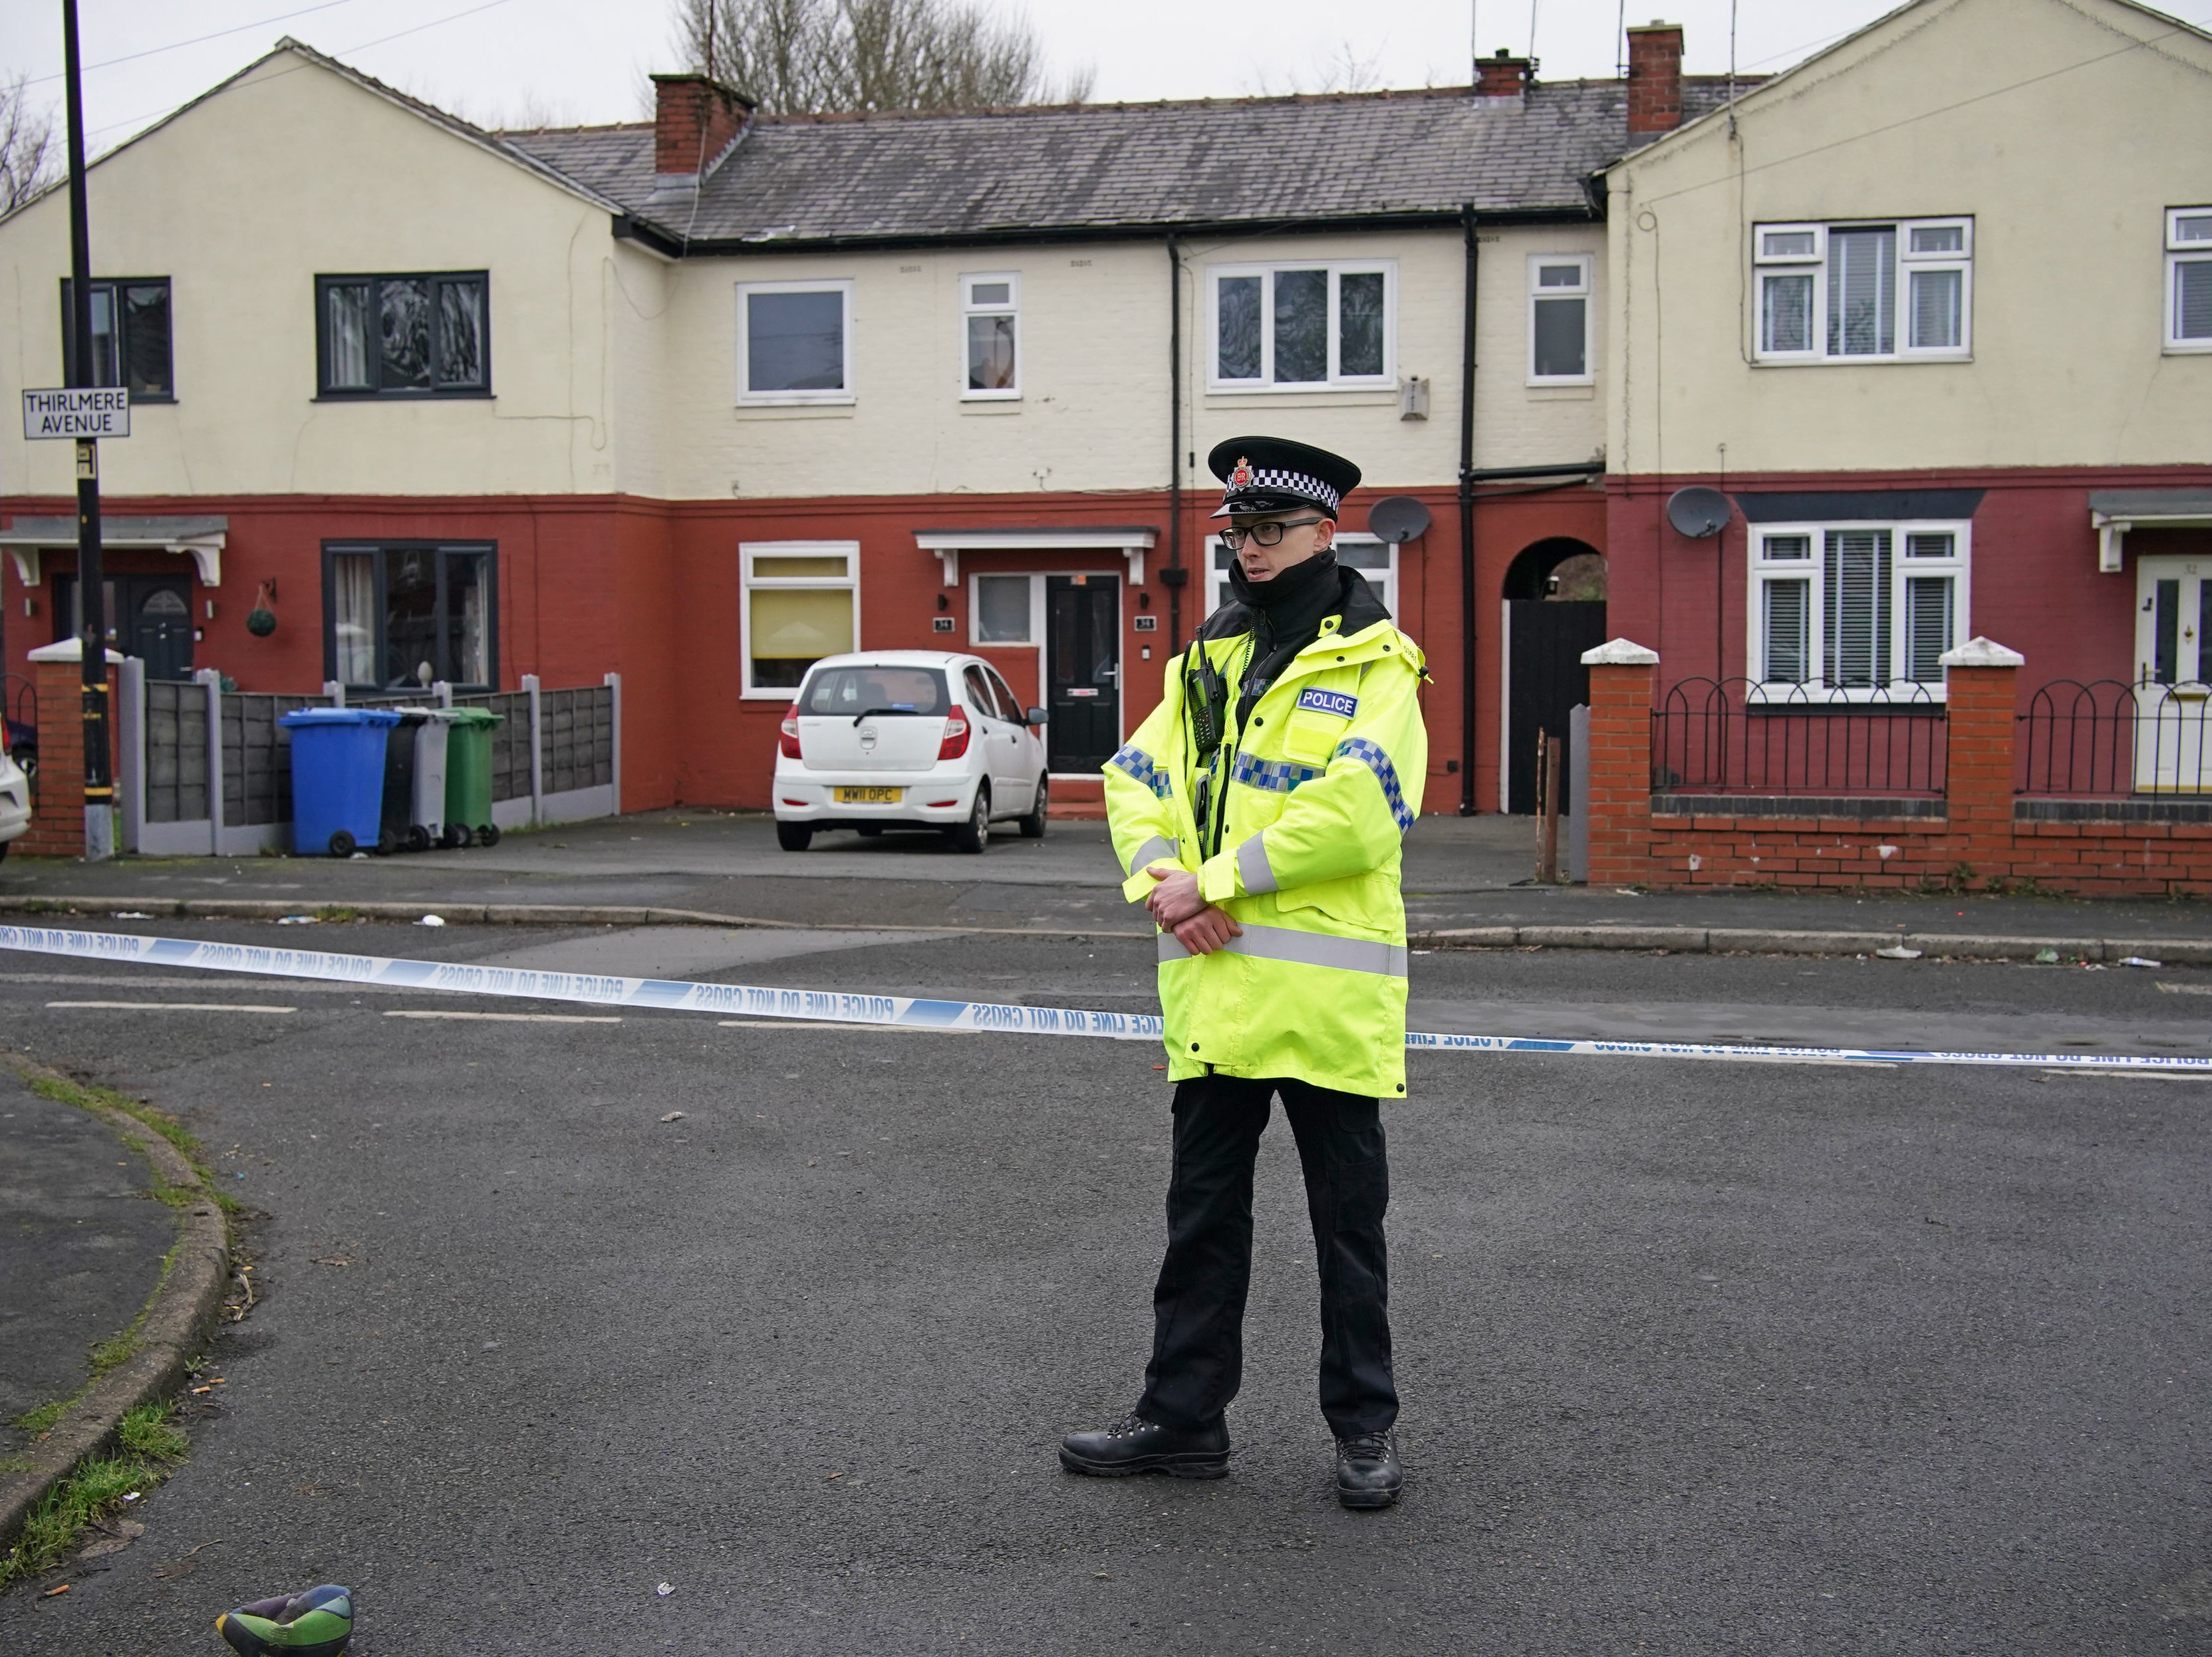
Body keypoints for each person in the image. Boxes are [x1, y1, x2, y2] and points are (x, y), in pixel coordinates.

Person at [1065, 436, 1429, 1509]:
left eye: (1269, 531)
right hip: (1216, 989)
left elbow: (1361, 817)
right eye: (1236, 533)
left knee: (1346, 1232)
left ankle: (1364, 1431)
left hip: (1320, 998)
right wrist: (1163, 880)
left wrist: (1213, 880)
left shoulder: (1374, 662)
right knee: (1202, 1224)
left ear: (1325, 533)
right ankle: (1183, 1420)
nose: (1249, 550)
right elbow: (1134, 776)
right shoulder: (1207, 657)